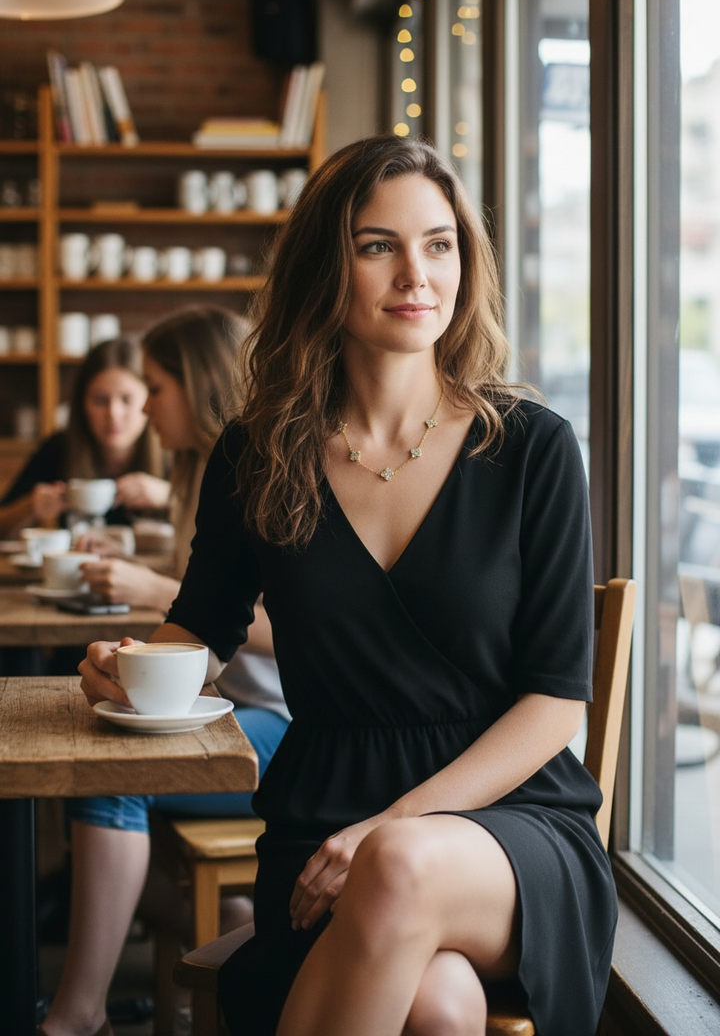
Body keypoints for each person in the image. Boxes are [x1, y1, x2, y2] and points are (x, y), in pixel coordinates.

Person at [77, 136, 615, 1036]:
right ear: (328, 266)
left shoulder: (533, 448)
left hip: (511, 821)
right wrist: (128, 668)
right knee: (440, 1008)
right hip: (320, 816)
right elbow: (199, 629)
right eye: (379, 246)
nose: (417, 274)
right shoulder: (258, 451)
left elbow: (556, 706)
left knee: (399, 866)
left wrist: (389, 827)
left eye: (439, 244)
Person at [39, 306, 289, 1036]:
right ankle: (230, 923)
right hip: (224, 710)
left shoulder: (264, 474)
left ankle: (78, 1011)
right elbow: (201, 616)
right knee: (97, 777)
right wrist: (134, 663)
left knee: (110, 781)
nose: (144, 408)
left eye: (155, 388)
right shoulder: (198, 473)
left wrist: (151, 597)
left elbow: (292, 627)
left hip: (277, 725)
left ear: (202, 385)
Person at [0, 335, 168, 539]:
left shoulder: (171, 449)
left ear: (148, 401)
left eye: (126, 399)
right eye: (100, 400)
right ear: (82, 404)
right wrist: (29, 507)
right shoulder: (58, 449)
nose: (113, 414)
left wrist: (168, 496)